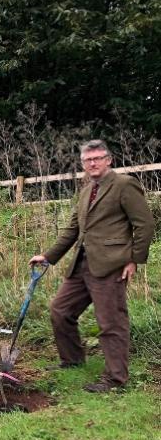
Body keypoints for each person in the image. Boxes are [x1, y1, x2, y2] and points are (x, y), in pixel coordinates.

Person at [29, 140, 154, 393]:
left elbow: (145, 225)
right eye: (88, 160)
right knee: (60, 310)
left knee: (111, 322)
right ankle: (72, 360)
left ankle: (116, 379)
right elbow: (74, 229)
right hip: (82, 264)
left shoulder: (124, 185)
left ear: (109, 160)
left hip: (111, 265)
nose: (93, 163)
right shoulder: (87, 189)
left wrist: (134, 260)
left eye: (98, 158)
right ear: (83, 164)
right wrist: (48, 256)